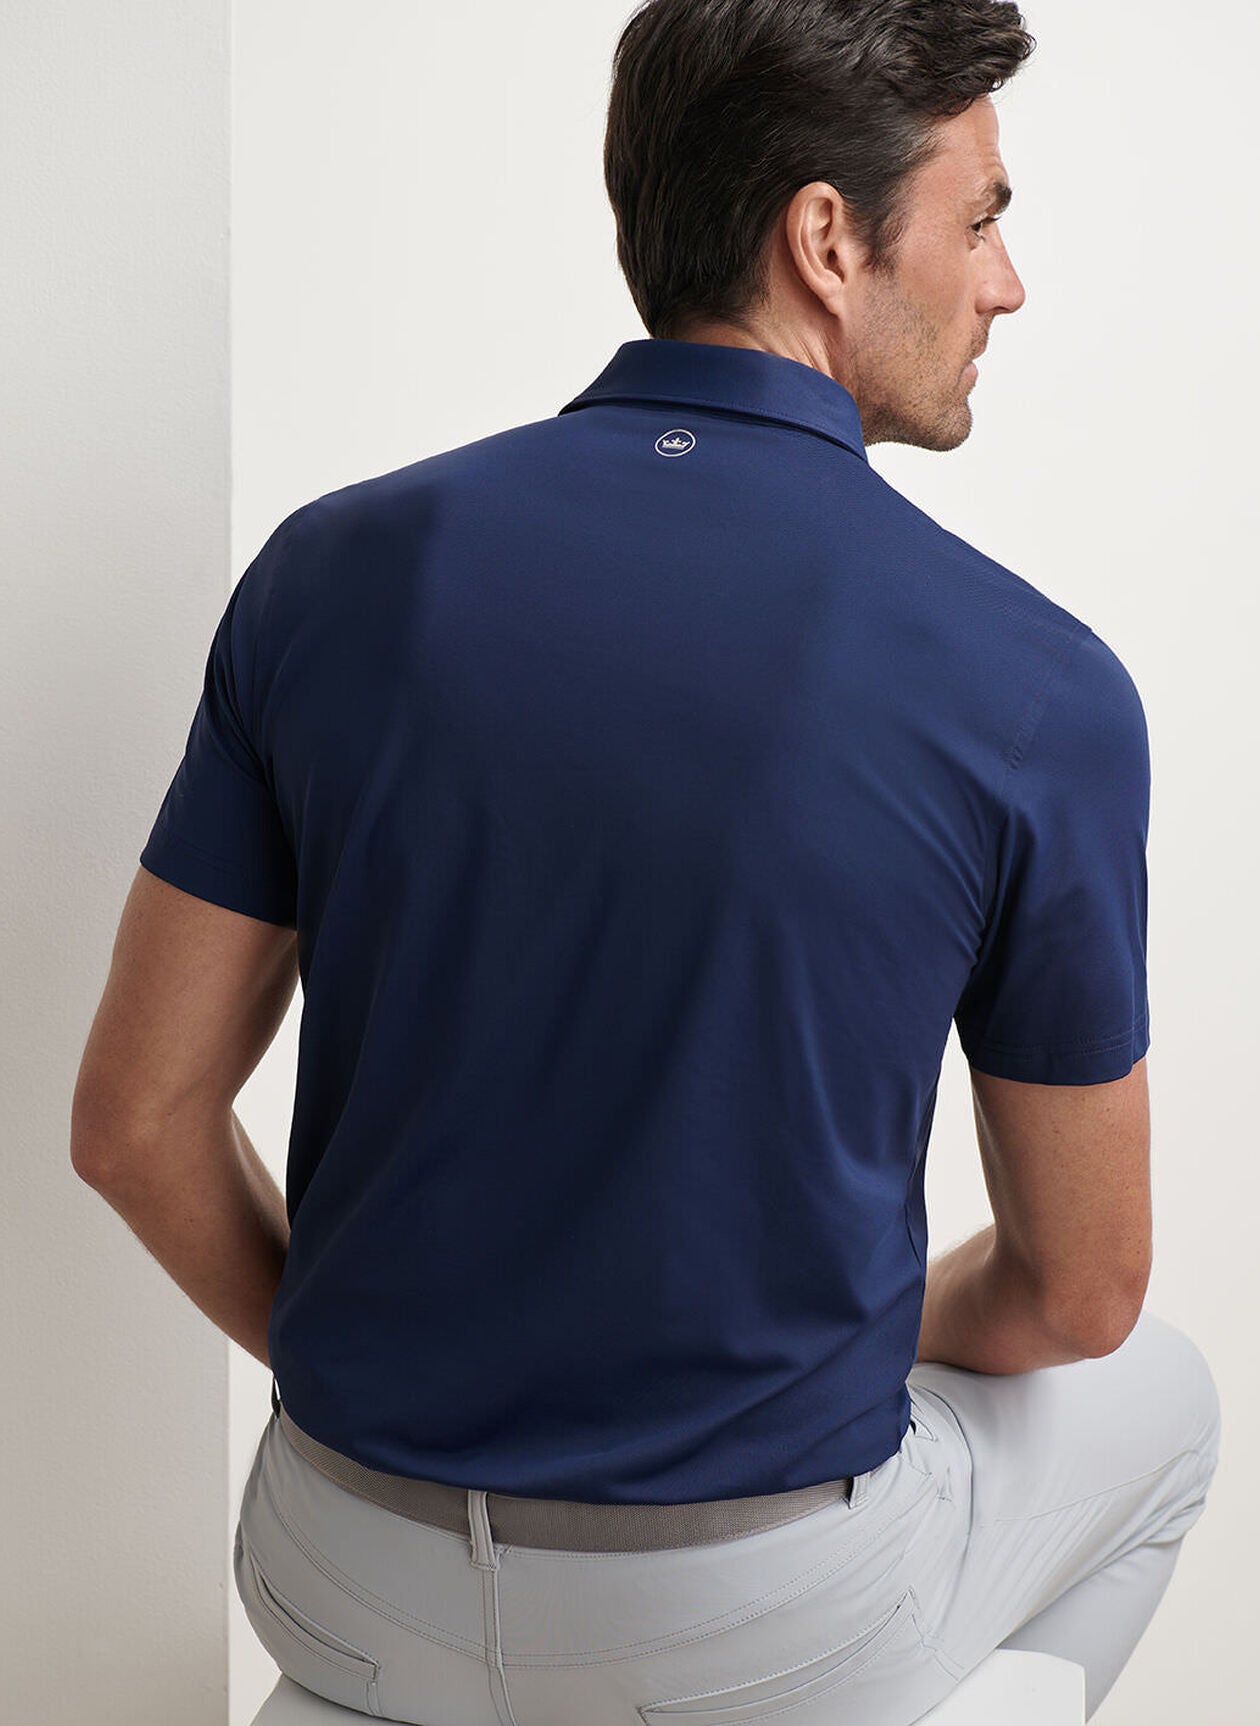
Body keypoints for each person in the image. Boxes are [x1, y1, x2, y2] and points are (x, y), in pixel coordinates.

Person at [72, 2, 1221, 1722]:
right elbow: (1085, 1286)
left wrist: (408, 1382)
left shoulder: (331, 575)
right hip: (747, 1629)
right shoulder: (1032, 685)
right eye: (980, 219)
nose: (1008, 283)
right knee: (1169, 1402)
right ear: (825, 239)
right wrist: (799, 1344)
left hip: (344, 1570)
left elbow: (134, 1121)